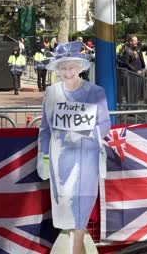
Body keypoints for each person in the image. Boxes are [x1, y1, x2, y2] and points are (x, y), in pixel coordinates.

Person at [37, 41, 111, 254]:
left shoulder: (96, 92)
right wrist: (43, 155)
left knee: (81, 205)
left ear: (80, 67)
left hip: (86, 159)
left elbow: (104, 123)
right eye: (63, 68)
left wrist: (86, 134)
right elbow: (45, 128)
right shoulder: (51, 93)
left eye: (71, 67)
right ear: (57, 70)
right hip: (60, 159)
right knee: (65, 208)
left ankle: (76, 248)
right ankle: (75, 247)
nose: (68, 72)